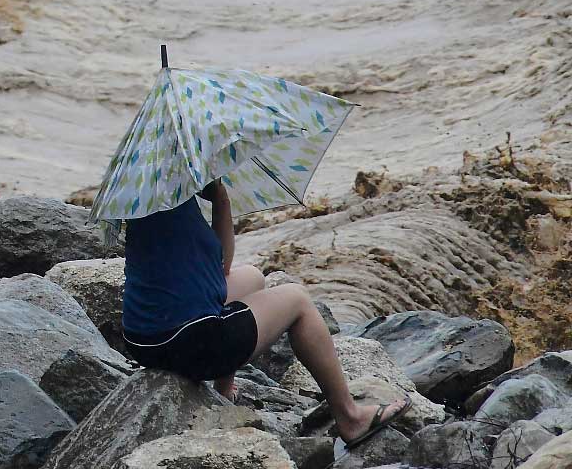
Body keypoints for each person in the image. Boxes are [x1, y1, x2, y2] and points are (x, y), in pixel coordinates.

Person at [123, 181, 408, 447]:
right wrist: (221, 199)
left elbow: (219, 277)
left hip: (143, 341)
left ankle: (223, 391)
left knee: (253, 277)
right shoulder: (179, 212)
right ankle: (351, 417)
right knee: (297, 299)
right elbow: (221, 265)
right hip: (188, 344)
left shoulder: (144, 194)